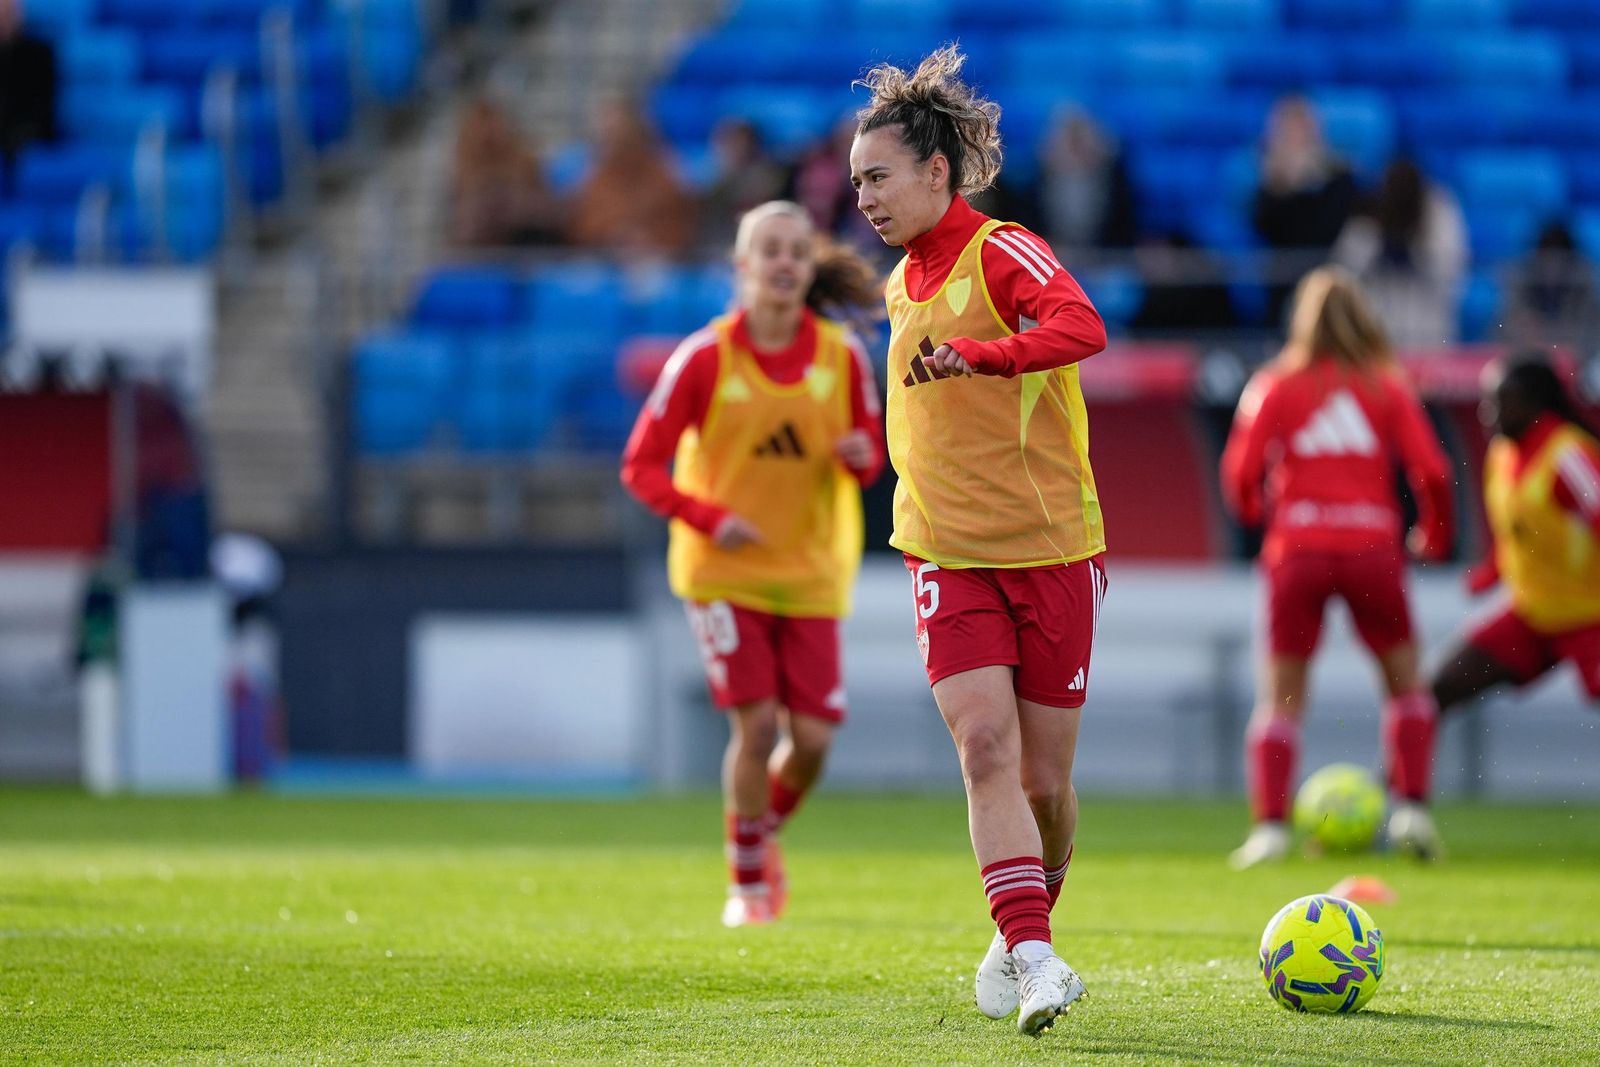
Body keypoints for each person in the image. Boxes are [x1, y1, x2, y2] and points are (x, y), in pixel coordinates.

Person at [849, 45, 1109, 1036]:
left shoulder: (1002, 250)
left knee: (1045, 781)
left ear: (936, 174)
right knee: (985, 746)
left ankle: (1024, 923)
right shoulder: (896, 283)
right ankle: (1037, 952)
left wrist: (989, 354)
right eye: (856, 181)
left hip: (1049, 549)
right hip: (942, 551)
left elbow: (1081, 324)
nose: (864, 197)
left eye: (878, 177)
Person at [619, 200, 885, 929]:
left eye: (797, 251)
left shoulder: (842, 357)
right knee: (758, 727)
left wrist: (863, 459)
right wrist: (710, 518)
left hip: (810, 571)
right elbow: (641, 466)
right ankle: (747, 885)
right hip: (723, 572)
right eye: (768, 249)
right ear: (741, 268)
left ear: (809, 266)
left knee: (815, 742)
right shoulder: (705, 358)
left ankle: (759, 831)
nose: (784, 262)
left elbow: (869, 456)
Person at [1220, 267, 1455, 869]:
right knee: (1405, 684)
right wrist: (1435, 530)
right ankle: (1412, 810)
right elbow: (1433, 469)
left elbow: (1240, 474)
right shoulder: (1388, 387)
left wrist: (1258, 519)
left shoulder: (1274, 384)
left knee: (1281, 699)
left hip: (1298, 549)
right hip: (1372, 547)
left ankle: (1270, 830)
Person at [1429, 355, 1600, 723]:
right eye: (1487, 400)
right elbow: (1517, 530)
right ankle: (1392, 782)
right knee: (1434, 691)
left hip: (1590, 616)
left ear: (1534, 404)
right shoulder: (1501, 453)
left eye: (1501, 400)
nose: (1488, 412)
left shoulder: (1567, 454)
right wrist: (1493, 571)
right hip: (1532, 613)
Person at [1332, 158, 1468, 349]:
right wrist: (1376, 246)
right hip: (1379, 326)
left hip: (1428, 329)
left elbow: (1452, 268)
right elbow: (1343, 274)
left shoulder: (1438, 208)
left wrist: (1415, 251)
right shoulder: (1369, 211)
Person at [1251, 96, 1358, 325]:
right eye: (1288, 133)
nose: (1296, 140)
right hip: (1283, 285)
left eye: (1302, 130)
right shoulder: (1270, 183)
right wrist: (1285, 186)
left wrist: (1309, 184)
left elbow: (1329, 230)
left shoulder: (1339, 177)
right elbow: (1262, 226)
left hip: (1329, 280)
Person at [566, 98, 696, 259]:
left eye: (619, 131)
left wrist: (648, 238)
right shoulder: (591, 177)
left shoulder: (667, 172)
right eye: (608, 132)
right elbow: (582, 224)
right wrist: (613, 235)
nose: (613, 139)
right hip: (602, 258)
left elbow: (680, 222)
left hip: (659, 257)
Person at [447, 95, 561, 247]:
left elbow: (548, 213)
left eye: (492, 125)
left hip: (526, 246)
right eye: (481, 126)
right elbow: (462, 231)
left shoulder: (526, 163)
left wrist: (517, 206)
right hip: (481, 253)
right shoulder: (462, 174)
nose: (487, 134)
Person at [1497, 222, 1600, 357]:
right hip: (1529, 359)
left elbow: (1589, 334)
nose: (1553, 269)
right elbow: (1504, 329)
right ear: (1539, 259)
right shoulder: (1522, 283)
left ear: (1570, 262)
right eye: (1548, 261)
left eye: (1559, 262)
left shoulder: (1583, 285)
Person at [0, 0, 57, 184]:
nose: (4, 19)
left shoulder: (40, 53)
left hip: (26, 136)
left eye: (10, 12)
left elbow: (43, 109)